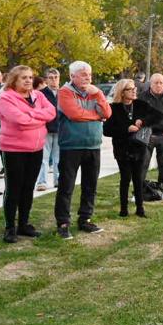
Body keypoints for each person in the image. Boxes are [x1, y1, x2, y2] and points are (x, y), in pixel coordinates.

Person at [0, 66, 57, 243]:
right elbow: (19, 120)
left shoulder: (38, 95)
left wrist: (32, 115)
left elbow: (52, 113)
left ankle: (23, 223)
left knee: (28, 188)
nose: (28, 80)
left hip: (36, 148)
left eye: (30, 77)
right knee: (14, 188)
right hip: (13, 149)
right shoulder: (6, 97)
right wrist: (40, 118)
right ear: (14, 79)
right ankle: (10, 227)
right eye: (23, 77)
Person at [54, 61, 111, 240]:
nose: (88, 77)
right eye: (83, 74)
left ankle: (85, 218)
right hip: (71, 146)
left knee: (90, 185)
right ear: (72, 76)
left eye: (89, 74)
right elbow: (74, 114)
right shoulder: (64, 92)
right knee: (66, 186)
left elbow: (107, 113)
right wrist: (96, 116)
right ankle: (63, 222)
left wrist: (99, 94)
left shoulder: (94, 93)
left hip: (93, 145)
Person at [103, 79, 163, 218]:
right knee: (125, 178)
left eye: (134, 88)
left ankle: (140, 209)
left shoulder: (140, 105)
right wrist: (126, 128)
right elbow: (106, 130)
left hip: (139, 147)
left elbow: (159, 115)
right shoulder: (113, 108)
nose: (134, 90)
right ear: (122, 92)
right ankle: (123, 209)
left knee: (138, 178)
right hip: (122, 148)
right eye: (130, 89)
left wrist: (144, 121)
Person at [35, 68, 61, 191]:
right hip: (45, 128)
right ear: (46, 80)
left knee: (58, 157)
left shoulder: (63, 93)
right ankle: (42, 181)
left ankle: (58, 180)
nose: (53, 80)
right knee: (44, 158)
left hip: (60, 129)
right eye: (50, 77)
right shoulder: (41, 94)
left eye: (55, 77)